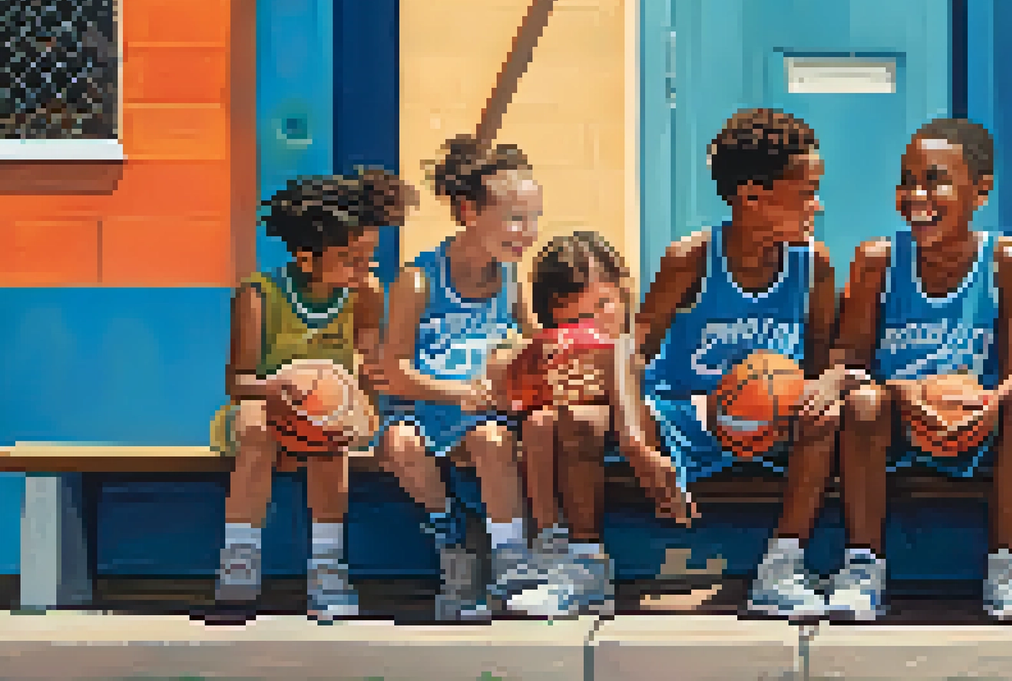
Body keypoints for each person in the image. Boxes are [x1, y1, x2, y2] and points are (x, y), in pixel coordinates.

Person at [632, 107, 859, 618]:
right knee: (581, 424)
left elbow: (829, 358)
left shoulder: (813, 263)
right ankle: (579, 560)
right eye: (805, 193)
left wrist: (831, 381)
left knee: (825, 414)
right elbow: (632, 352)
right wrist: (636, 444)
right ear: (752, 196)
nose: (816, 206)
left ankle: (783, 564)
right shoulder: (690, 257)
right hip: (689, 416)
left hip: (774, 420)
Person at [830, 118, 1012, 621]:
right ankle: (863, 566)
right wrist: (903, 392)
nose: (915, 195)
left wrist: (989, 402)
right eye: (906, 180)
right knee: (862, 402)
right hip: (896, 423)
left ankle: (1008, 567)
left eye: (934, 180)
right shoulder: (876, 259)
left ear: (981, 190)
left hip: (976, 418)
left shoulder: (1008, 260)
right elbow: (848, 361)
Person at [206, 168, 412, 624]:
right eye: (352, 259)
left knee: (329, 435)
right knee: (257, 427)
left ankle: (327, 566)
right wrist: (277, 388)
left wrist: (365, 396)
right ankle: (240, 557)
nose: (365, 269)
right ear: (305, 257)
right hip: (263, 407)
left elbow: (364, 361)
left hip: (326, 415)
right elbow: (238, 381)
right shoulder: (259, 294)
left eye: (369, 257)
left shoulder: (367, 294)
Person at [371, 137, 542, 621]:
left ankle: (511, 558)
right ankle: (453, 541)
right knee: (403, 447)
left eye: (533, 219)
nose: (526, 232)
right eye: (514, 218)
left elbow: (536, 344)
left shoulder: (513, 280)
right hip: (421, 413)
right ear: (469, 211)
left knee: (491, 438)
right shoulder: (418, 280)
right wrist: (461, 393)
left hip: (479, 421)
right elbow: (395, 371)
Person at [508, 231, 693, 616]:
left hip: (647, 422)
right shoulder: (552, 346)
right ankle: (550, 545)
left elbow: (638, 370)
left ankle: (572, 557)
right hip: (578, 429)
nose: (592, 322)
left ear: (624, 291)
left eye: (604, 304)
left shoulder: (636, 338)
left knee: (569, 418)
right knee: (540, 422)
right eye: (576, 318)